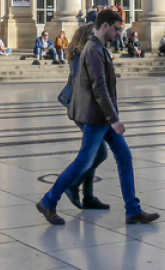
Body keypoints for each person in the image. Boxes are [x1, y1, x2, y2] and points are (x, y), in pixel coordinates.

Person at [36, 9, 158, 226]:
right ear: (104, 26)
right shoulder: (93, 50)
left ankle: (133, 210)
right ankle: (48, 200)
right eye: (116, 28)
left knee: (124, 157)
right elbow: (99, 88)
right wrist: (114, 119)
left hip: (102, 116)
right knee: (84, 160)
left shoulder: (98, 48)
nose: (118, 33)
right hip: (96, 117)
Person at [60, 24, 110, 212]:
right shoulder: (84, 56)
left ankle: (88, 196)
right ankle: (73, 185)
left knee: (94, 152)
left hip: (85, 109)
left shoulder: (82, 54)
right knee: (98, 153)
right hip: (86, 110)